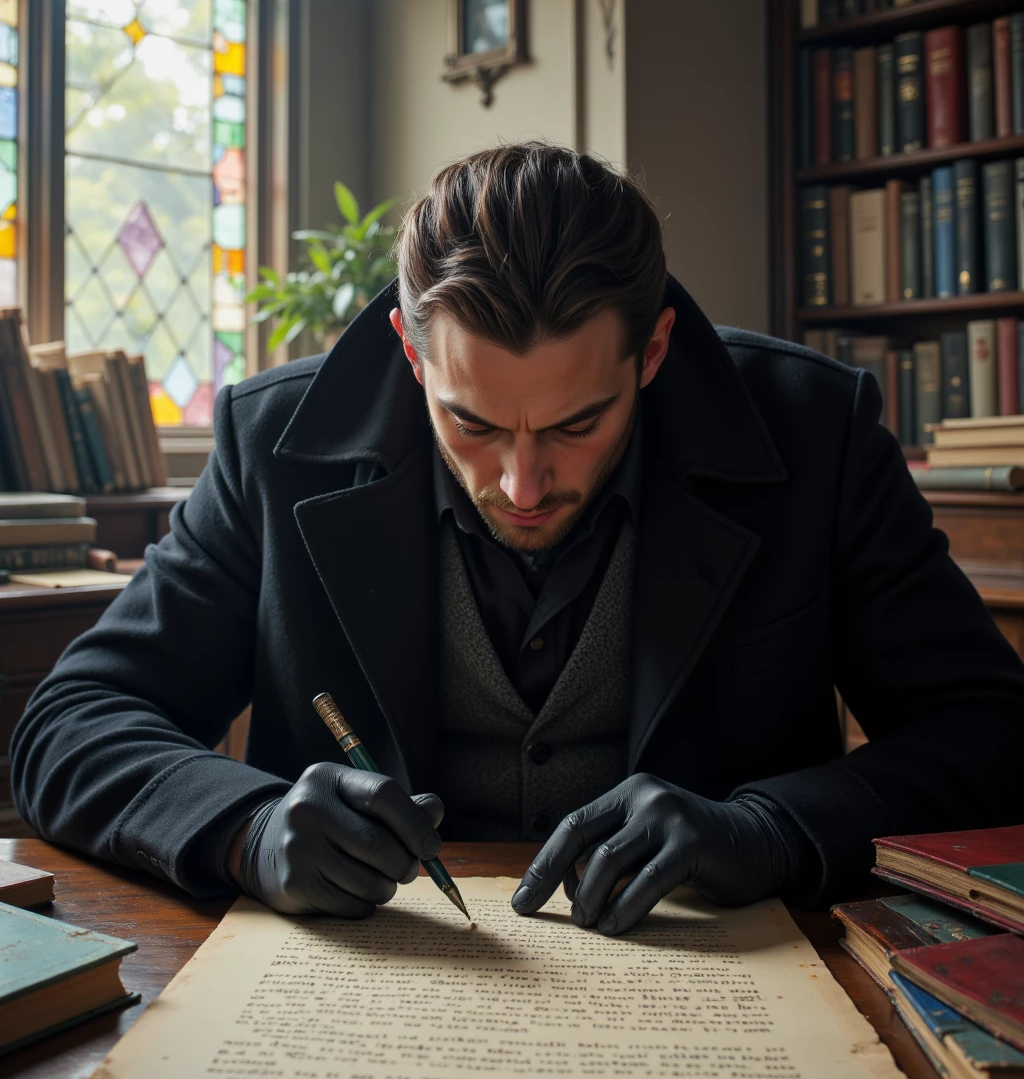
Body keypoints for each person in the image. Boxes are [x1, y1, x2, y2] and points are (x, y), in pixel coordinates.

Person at [13, 143, 1024, 935]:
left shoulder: (815, 434)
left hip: (724, 985)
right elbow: (70, 723)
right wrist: (245, 828)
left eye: (578, 424)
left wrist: (773, 828)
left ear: (654, 350)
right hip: (360, 996)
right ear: (411, 352)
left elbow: (991, 733)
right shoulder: (273, 446)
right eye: (474, 423)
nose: (522, 482)